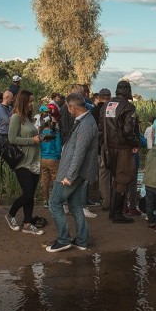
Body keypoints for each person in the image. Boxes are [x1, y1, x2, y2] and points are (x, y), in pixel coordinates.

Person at [46, 93, 99, 252]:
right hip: (75, 171)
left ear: (73, 107)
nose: (67, 112)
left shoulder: (86, 125)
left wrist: (69, 176)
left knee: (54, 203)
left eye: (68, 108)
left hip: (72, 173)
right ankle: (82, 241)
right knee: (75, 206)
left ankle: (63, 240)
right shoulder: (85, 121)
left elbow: (79, 154)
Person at [4, 90, 44, 236]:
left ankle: (27, 223)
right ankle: (11, 214)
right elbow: (12, 139)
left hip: (34, 160)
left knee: (31, 194)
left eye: (32, 101)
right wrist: (31, 141)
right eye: (29, 101)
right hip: (22, 161)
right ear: (23, 101)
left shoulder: (28, 118)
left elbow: (31, 136)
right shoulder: (16, 117)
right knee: (27, 193)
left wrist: (40, 137)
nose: (32, 104)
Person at [100, 79, 140, 223]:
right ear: (128, 91)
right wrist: (135, 143)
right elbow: (128, 130)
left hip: (107, 147)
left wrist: (102, 146)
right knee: (123, 179)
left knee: (115, 178)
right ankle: (117, 214)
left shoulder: (106, 105)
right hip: (123, 148)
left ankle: (113, 212)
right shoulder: (128, 107)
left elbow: (101, 128)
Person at [39, 106, 61, 207]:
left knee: (44, 180)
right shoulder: (55, 133)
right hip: (53, 158)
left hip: (43, 159)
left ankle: (45, 200)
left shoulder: (42, 134)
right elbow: (58, 147)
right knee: (55, 180)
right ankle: (56, 200)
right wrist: (58, 156)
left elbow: (39, 146)